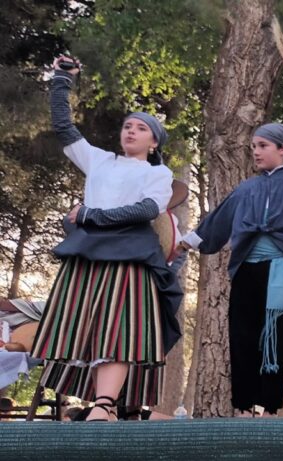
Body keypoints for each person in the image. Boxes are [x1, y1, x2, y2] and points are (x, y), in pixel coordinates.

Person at [31, 56, 182, 421]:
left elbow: (145, 211)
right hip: (87, 255)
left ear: (153, 141)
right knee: (91, 331)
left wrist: (89, 215)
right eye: (127, 126)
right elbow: (63, 126)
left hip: (129, 257)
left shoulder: (158, 173)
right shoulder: (99, 160)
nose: (130, 131)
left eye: (140, 129)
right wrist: (62, 79)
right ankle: (104, 405)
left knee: (119, 331)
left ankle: (104, 404)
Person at [179, 119, 283, 416]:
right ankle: (243, 407)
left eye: (263, 146)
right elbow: (217, 221)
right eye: (254, 146)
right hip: (247, 268)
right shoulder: (248, 188)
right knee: (242, 336)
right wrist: (185, 243)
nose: (255, 152)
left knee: (277, 337)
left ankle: (270, 407)